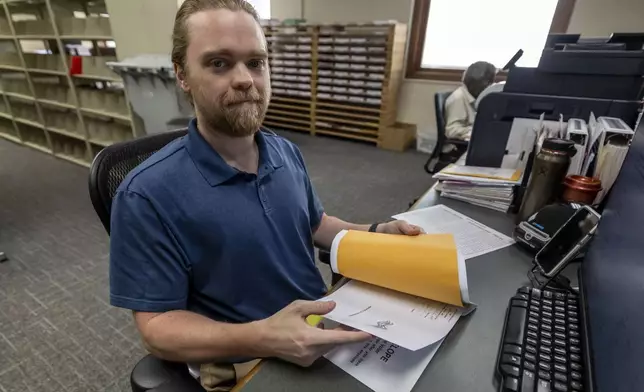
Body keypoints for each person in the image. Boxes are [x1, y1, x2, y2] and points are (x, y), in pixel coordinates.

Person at [108, 0, 422, 390]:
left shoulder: (284, 151)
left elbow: (315, 224)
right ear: (182, 75)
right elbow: (157, 328)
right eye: (219, 63)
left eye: (256, 62)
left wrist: (373, 231)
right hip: (250, 359)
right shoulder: (145, 195)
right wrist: (264, 336)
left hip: (323, 325)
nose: (245, 79)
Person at [444, 61, 496, 143]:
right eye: (488, 84)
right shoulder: (458, 98)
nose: (490, 86)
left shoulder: (478, 95)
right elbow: (451, 130)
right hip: (462, 146)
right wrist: (475, 131)